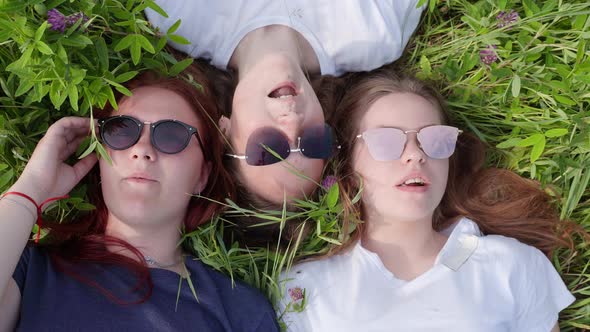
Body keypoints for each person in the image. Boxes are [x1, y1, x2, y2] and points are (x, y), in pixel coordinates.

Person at [279, 68, 579, 331]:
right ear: (347, 163)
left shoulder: (510, 265)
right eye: (386, 140)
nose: (415, 155)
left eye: (436, 139)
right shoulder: (303, 287)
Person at [0, 67, 280, 331]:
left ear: (202, 175)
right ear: (99, 156)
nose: (142, 149)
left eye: (172, 135)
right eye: (122, 130)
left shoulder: (239, 310)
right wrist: (31, 189)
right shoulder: (32, 272)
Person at [146, 0, 425, 206]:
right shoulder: (376, 32)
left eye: (269, 147)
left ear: (225, 131)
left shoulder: (176, 16)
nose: (292, 123)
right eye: (312, 143)